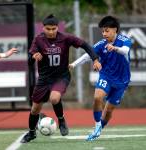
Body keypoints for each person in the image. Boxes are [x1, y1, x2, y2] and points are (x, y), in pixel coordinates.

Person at [21, 14, 101, 143]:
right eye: (48, 29)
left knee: (54, 98)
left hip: (61, 76)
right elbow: (29, 61)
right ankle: (31, 133)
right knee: (35, 109)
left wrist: (95, 59)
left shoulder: (65, 38)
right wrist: (34, 57)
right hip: (44, 78)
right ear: (43, 28)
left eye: (54, 29)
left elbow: (85, 45)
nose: (51, 31)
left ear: (57, 28)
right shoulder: (38, 40)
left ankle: (61, 120)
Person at [69, 16, 132, 141]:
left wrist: (115, 48)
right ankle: (97, 124)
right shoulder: (101, 44)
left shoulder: (125, 40)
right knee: (98, 97)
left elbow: (125, 51)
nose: (104, 34)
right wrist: (73, 64)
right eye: (103, 31)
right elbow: (88, 55)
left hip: (122, 81)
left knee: (108, 111)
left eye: (107, 30)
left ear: (115, 30)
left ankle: (98, 130)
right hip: (106, 76)